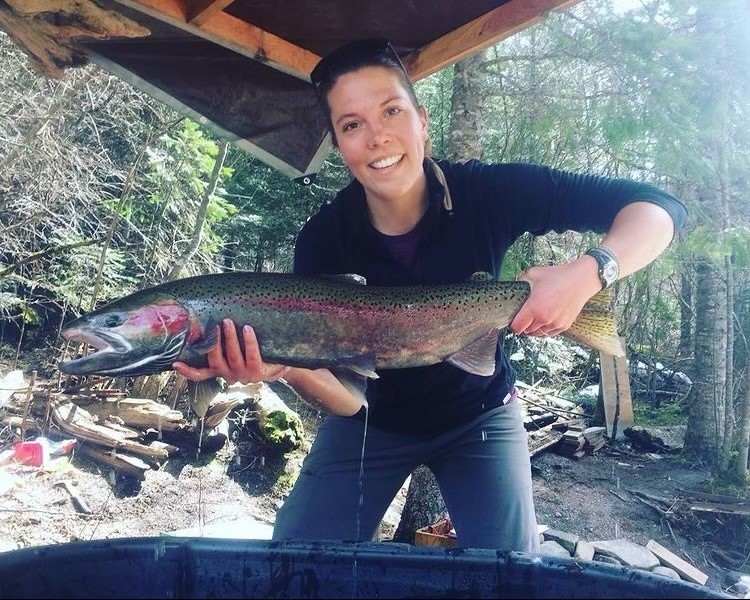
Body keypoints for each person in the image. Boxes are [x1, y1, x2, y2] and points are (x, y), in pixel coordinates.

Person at [173, 39, 687, 551]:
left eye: (391, 111)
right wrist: (282, 367)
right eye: (352, 125)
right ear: (338, 142)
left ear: (422, 120)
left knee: (511, 569)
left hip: (481, 414)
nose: (377, 137)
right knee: (296, 557)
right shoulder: (324, 239)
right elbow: (350, 399)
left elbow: (659, 208)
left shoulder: (490, 192)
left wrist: (588, 273)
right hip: (372, 424)